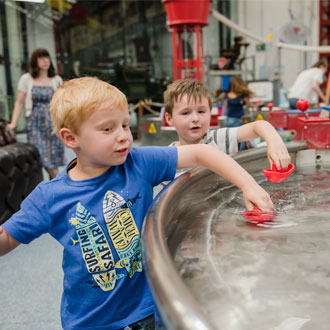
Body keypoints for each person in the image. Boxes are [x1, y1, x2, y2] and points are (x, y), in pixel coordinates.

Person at [0, 77, 274, 330]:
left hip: (146, 309)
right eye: (107, 129)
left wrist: (248, 185)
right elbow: (8, 239)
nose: (123, 136)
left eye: (124, 125)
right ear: (70, 138)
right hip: (91, 320)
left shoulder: (138, 163)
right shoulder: (49, 196)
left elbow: (202, 152)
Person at [163, 79, 291, 178]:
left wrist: (275, 143)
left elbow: (260, 125)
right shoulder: (166, 158)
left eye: (201, 111)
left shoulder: (217, 140)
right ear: (169, 119)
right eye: (185, 113)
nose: (195, 118)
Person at [7, 48, 65, 179]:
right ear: (35, 61)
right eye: (41, 58)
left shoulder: (57, 79)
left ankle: (53, 190)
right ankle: (58, 182)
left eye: (47, 57)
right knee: (42, 154)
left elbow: (62, 103)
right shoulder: (26, 79)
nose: (45, 61)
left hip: (52, 123)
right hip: (35, 123)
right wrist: (13, 123)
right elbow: (19, 102)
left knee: (52, 159)